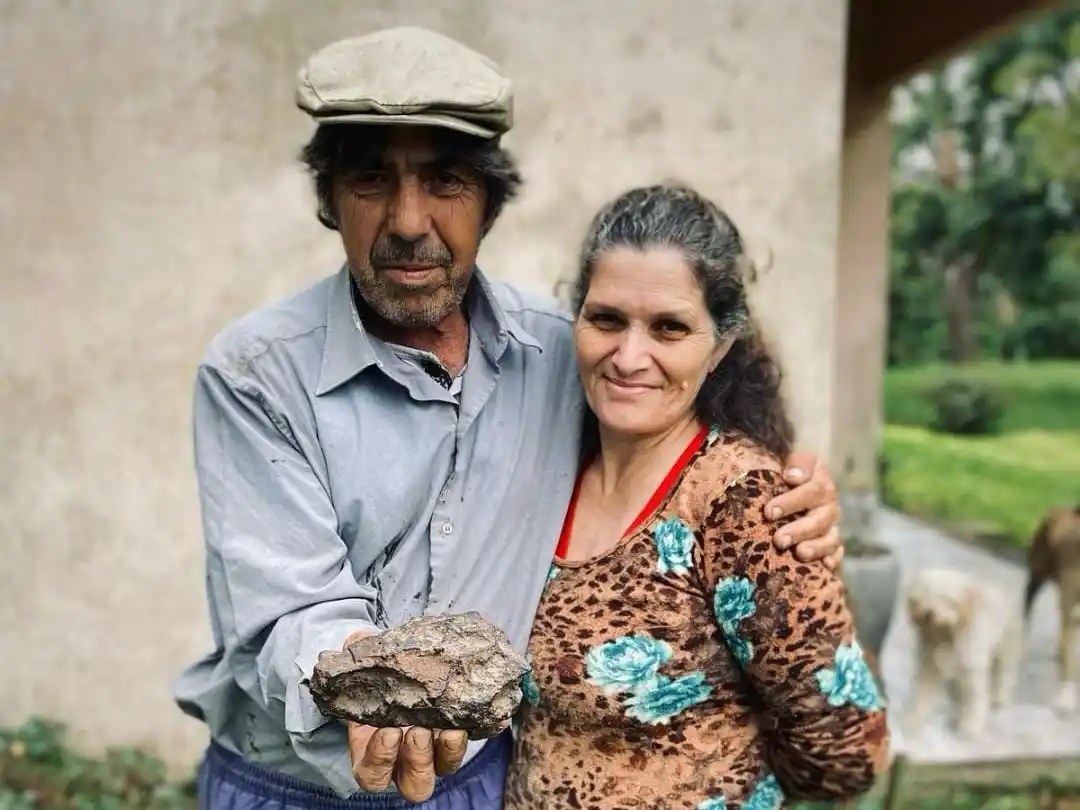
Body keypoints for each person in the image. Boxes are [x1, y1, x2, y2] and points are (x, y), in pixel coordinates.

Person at [173, 26, 848, 810]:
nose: (409, 221)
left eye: (447, 180)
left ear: (491, 201)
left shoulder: (563, 354)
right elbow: (293, 607)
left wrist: (787, 489)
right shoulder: (256, 372)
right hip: (291, 790)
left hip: (481, 784)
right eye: (368, 179)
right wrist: (369, 679)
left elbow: (674, 434)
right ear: (328, 198)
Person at [504, 184, 890, 810]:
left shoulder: (742, 503)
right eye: (606, 319)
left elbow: (845, 748)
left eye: (669, 328)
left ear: (719, 349)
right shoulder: (551, 467)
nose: (630, 356)